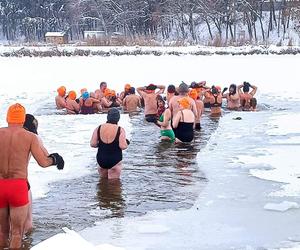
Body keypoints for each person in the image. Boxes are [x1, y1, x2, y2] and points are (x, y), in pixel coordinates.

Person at [0, 103, 64, 249]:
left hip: (0, 185)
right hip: (18, 186)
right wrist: (55, 160)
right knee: (17, 233)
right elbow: (43, 162)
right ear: (23, 120)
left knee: (2, 232)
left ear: (7, 118)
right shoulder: (30, 137)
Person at [90, 108, 129, 179]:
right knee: (114, 186)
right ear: (118, 118)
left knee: (102, 183)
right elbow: (123, 146)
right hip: (115, 160)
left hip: (101, 159)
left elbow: (93, 144)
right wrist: (127, 143)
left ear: (108, 117)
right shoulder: (120, 129)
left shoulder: (99, 128)